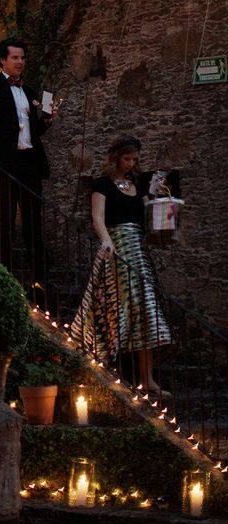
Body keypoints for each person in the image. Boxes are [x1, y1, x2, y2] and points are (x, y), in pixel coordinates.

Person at [70, 136, 173, 393]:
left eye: (135, 159)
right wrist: (106, 241)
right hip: (116, 248)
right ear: (115, 158)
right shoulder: (101, 185)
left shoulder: (137, 185)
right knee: (118, 309)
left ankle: (147, 379)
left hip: (138, 250)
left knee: (147, 311)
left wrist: (155, 199)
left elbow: (143, 217)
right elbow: (97, 218)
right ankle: (109, 372)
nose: (131, 163)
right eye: (127, 159)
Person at [0, 37, 53, 288]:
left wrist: (47, 120)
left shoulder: (28, 91)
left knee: (33, 219)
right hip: (5, 162)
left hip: (29, 160)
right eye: (15, 58)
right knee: (5, 219)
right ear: (2, 60)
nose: (20, 62)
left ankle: (39, 280)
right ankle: (3, 276)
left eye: (22, 58)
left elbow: (33, 130)